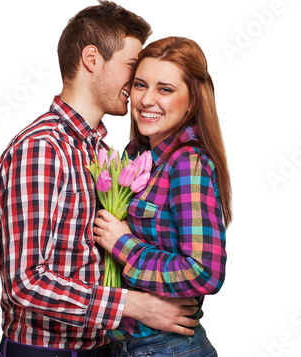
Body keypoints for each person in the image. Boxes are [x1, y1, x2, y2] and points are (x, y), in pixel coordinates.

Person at [0, 3, 199, 357]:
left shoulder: (101, 152)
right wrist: (133, 305)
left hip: (102, 347)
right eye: (132, 67)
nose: (137, 86)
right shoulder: (42, 149)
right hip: (46, 352)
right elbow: (25, 283)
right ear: (92, 58)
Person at [93, 37, 232, 356]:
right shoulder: (136, 155)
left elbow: (205, 272)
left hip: (168, 348)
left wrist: (124, 246)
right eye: (140, 85)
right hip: (124, 346)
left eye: (165, 89)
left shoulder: (187, 164)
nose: (146, 99)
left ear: (193, 100)